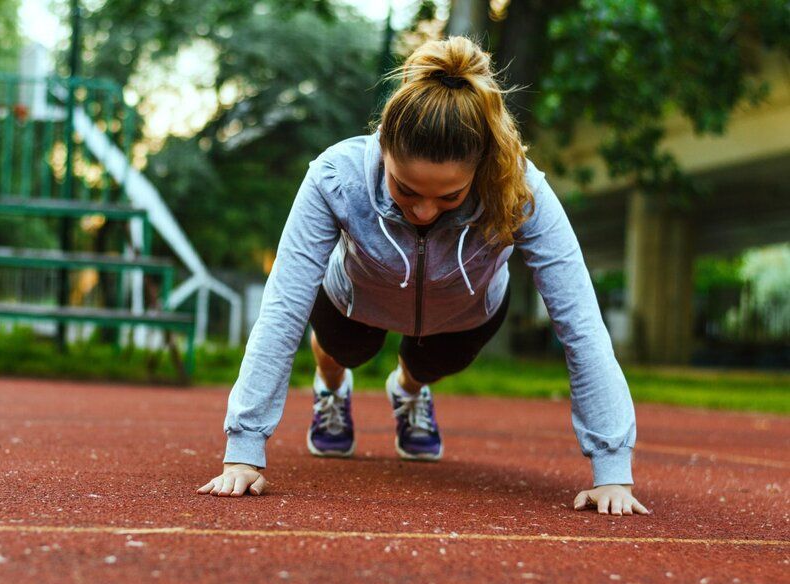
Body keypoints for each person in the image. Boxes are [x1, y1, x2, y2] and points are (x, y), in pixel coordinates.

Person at [197, 35, 650, 517]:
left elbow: (579, 321)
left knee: (429, 365)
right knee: (346, 350)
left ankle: (408, 390)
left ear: (481, 171)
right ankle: (330, 386)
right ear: (383, 147)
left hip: (463, 310)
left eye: (450, 197)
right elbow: (283, 305)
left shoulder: (519, 189)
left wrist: (612, 470)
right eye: (405, 190)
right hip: (356, 298)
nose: (424, 210)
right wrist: (243, 450)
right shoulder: (336, 176)